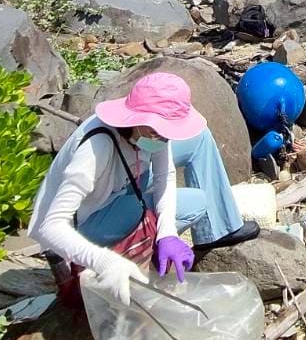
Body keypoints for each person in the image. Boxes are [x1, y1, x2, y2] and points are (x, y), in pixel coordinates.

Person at [28, 72, 259, 306]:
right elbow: (49, 227)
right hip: (81, 224)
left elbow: (165, 175)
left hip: (121, 187)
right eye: (157, 131)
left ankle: (217, 230)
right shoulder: (97, 147)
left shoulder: (149, 133)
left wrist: (167, 233)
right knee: (194, 203)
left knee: (199, 143)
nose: (163, 138)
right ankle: (129, 253)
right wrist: (104, 261)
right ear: (134, 119)